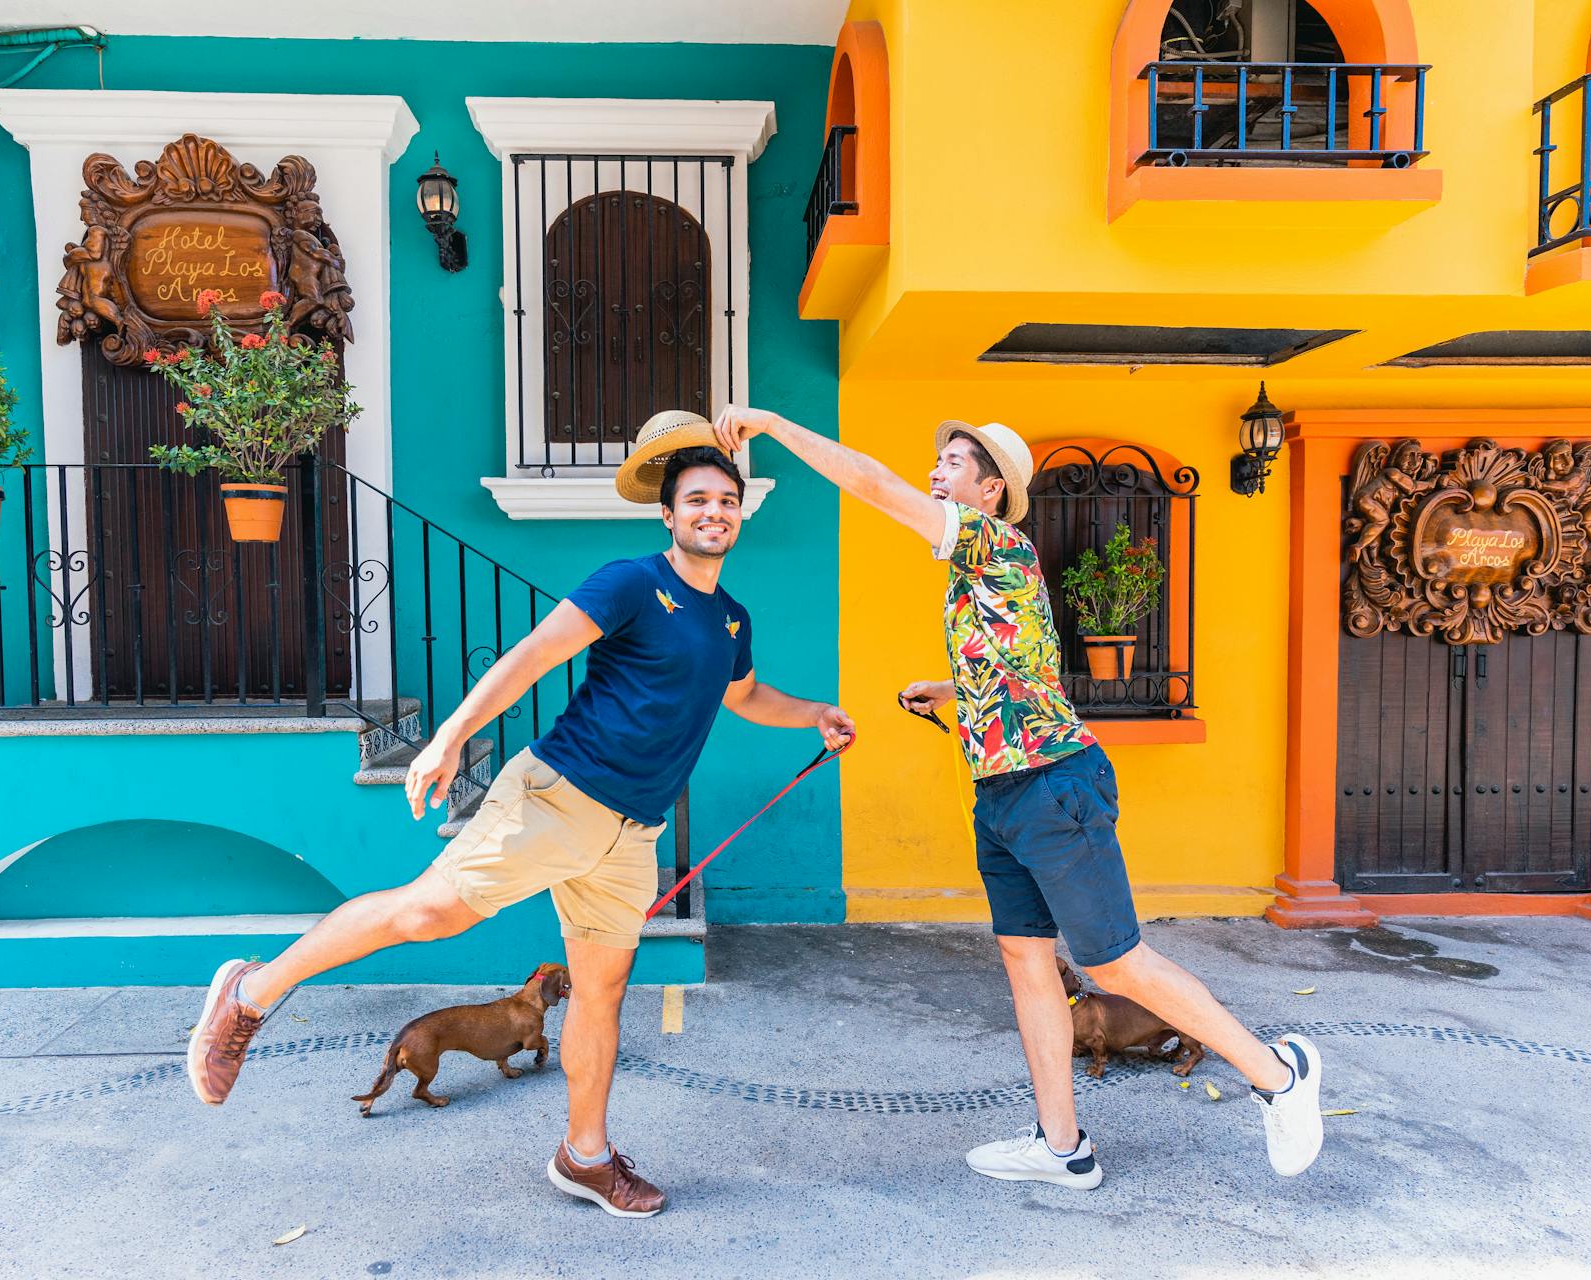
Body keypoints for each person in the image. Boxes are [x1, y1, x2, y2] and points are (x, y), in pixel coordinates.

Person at [185, 410, 854, 1217]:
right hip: (559, 795)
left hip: (631, 835)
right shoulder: (632, 583)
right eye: (698, 499)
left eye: (726, 500)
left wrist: (815, 710)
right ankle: (251, 994)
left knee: (602, 996)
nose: (714, 511)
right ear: (669, 514)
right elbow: (534, 655)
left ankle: (586, 1157)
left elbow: (744, 695)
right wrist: (451, 736)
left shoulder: (731, 618)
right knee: (428, 912)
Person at [712, 406, 1324, 1187]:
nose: (936, 474)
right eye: (937, 463)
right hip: (1002, 793)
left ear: (992, 488)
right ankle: (1061, 1147)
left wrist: (773, 424)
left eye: (954, 464)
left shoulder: (990, 538)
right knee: (1025, 958)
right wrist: (948, 690)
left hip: (1053, 785)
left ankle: (1278, 1074)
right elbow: (1029, 664)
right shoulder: (981, 573)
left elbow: (871, 484)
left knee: (1118, 963)